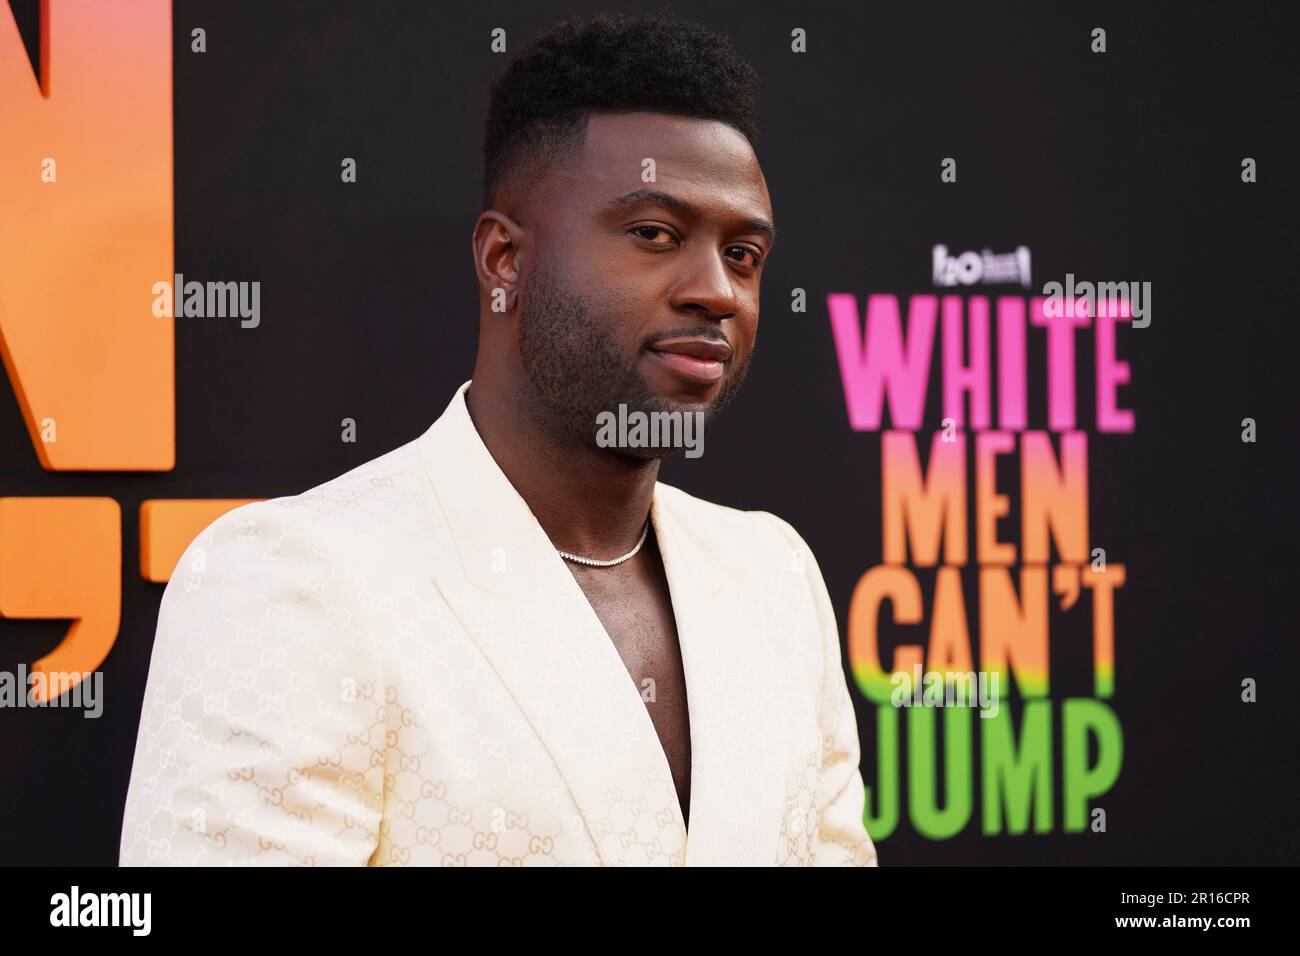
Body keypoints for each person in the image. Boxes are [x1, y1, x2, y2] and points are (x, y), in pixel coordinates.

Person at [119, 11, 878, 867]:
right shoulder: (293, 581)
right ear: (504, 260)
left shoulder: (774, 576)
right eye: (656, 235)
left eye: (743, 254)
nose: (717, 291)